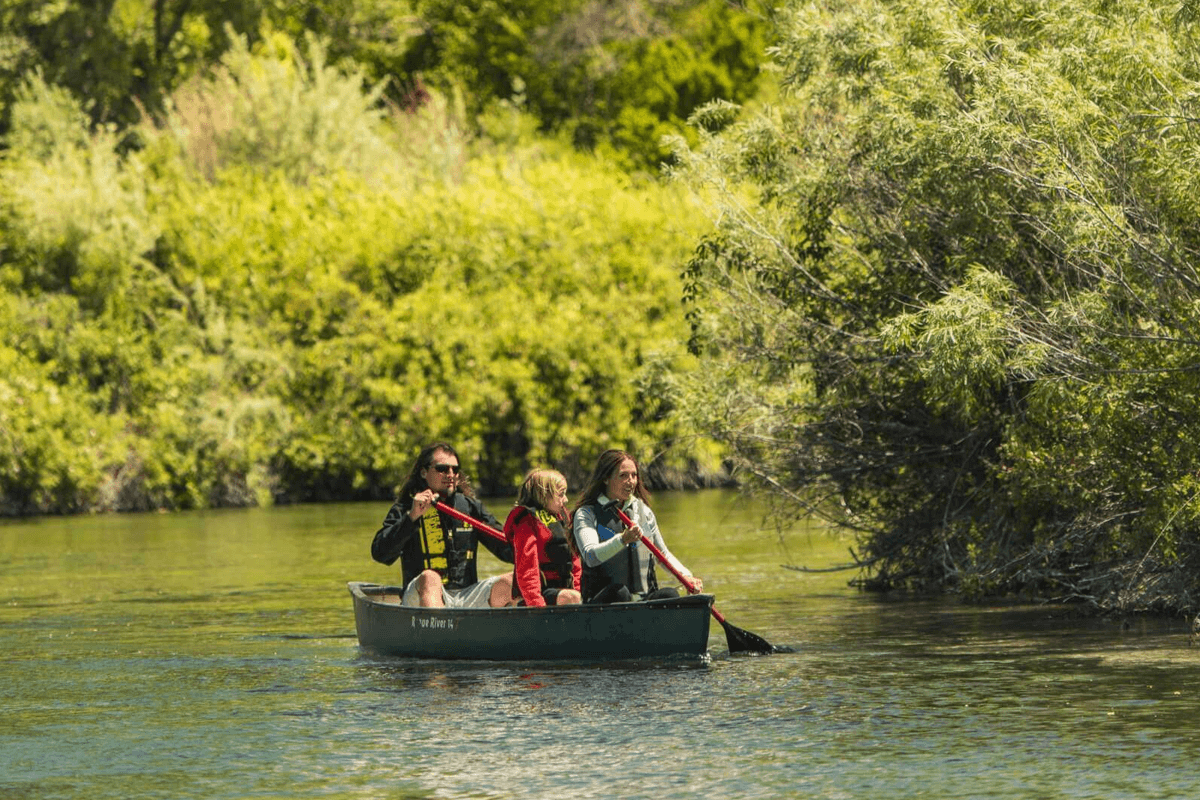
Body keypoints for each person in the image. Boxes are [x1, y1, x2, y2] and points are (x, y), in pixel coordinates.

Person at [371, 442, 515, 607]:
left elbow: (506, 548)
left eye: (455, 469)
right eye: (442, 469)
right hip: (419, 595)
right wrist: (411, 518)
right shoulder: (406, 508)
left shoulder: (470, 508)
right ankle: (439, 626)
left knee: (513, 581)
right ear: (424, 472)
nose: (451, 474)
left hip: (467, 597)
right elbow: (380, 553)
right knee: (430, 578)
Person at [571, 449, 703, 604]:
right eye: (623, 475)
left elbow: (663, 555)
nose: (631, 481)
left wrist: (686, 576)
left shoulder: (644, 512)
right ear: (606, 479)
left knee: (670, 594)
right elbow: (590, 556)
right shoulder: (586, 513)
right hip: (605, 601)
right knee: (620, 593)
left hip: (643, 600)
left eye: (634, 475)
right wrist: (622, 539)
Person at [503, 469, 582, 607]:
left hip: (563, 591)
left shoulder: (562, 517)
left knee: (581, 595)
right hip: (537, 595)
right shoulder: (527, 523)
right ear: (545, 495)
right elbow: (527, 570)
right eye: (561, 494)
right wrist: (537, 606)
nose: (566, 500)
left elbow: (575, 562)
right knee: (572, 597)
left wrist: (580, 591)